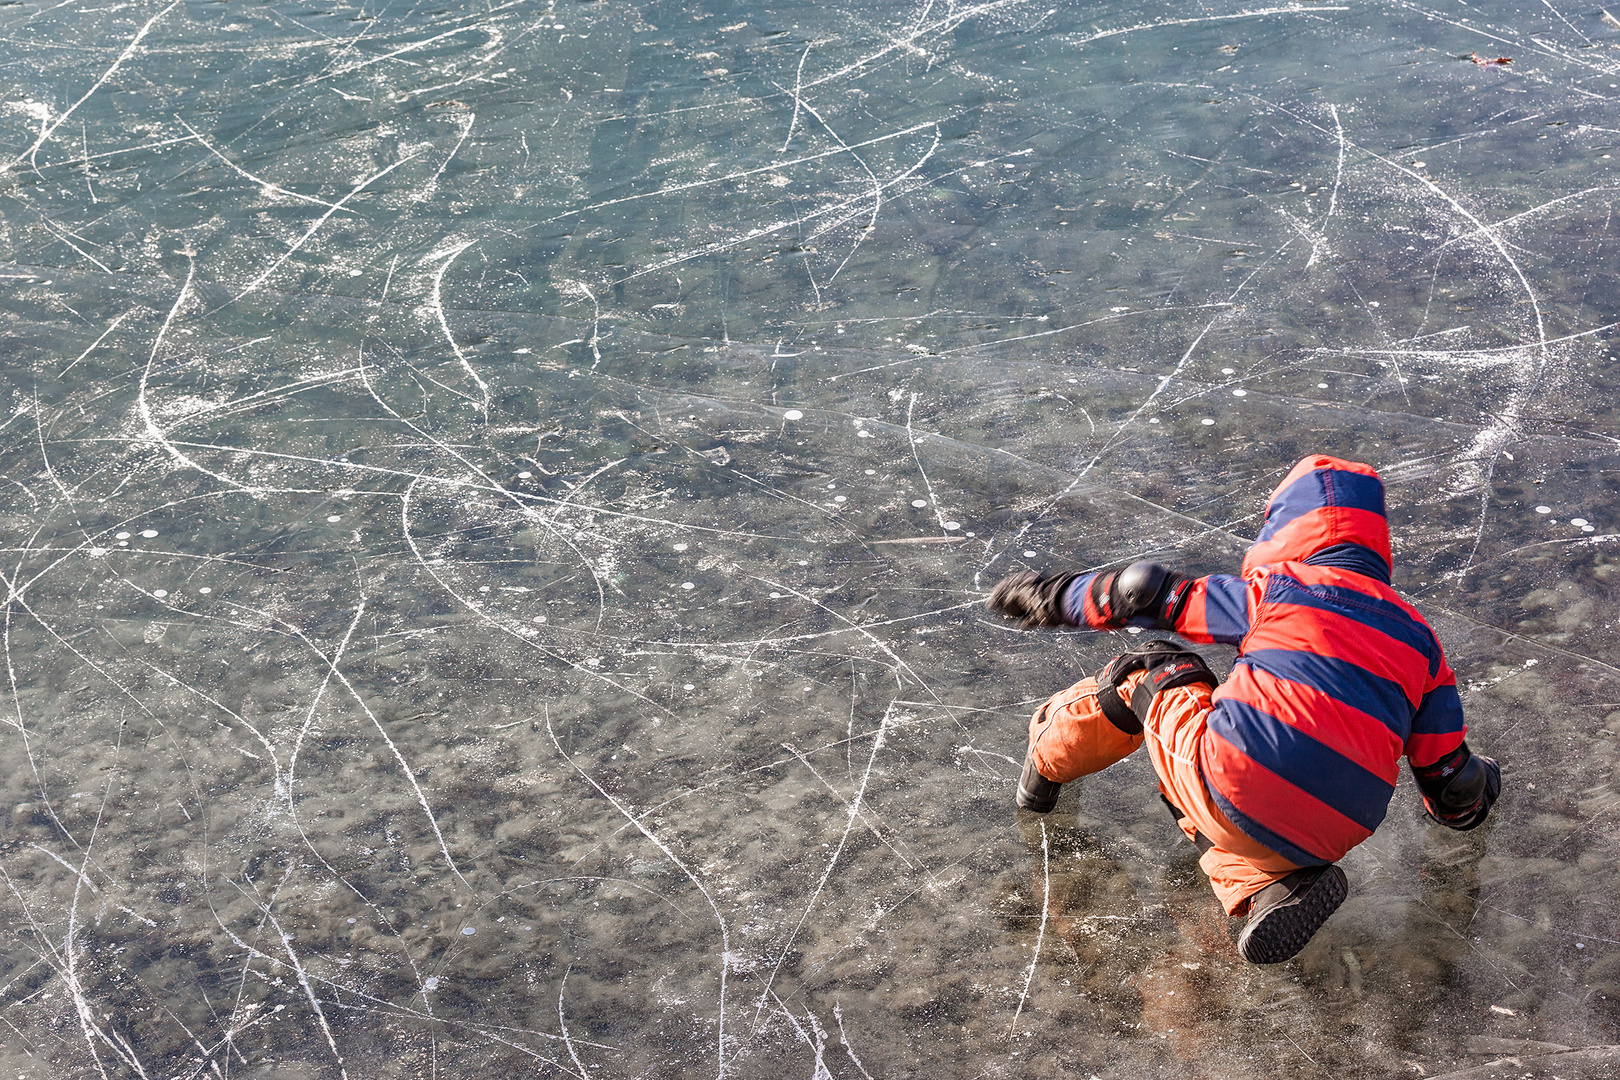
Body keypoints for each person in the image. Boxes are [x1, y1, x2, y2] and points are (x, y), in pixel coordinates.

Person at [987, 454, 1500, 963]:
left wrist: (1053, 597)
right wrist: (1468, 802)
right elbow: (1448, 773)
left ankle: (1047, 757)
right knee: (1235, 761)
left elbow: (1142, 594)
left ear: (1287, 530)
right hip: (1341, 827)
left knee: (1154, 672)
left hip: (1237, 788)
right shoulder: (1420, 640)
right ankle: (1270, 886)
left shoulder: (1278, 590)